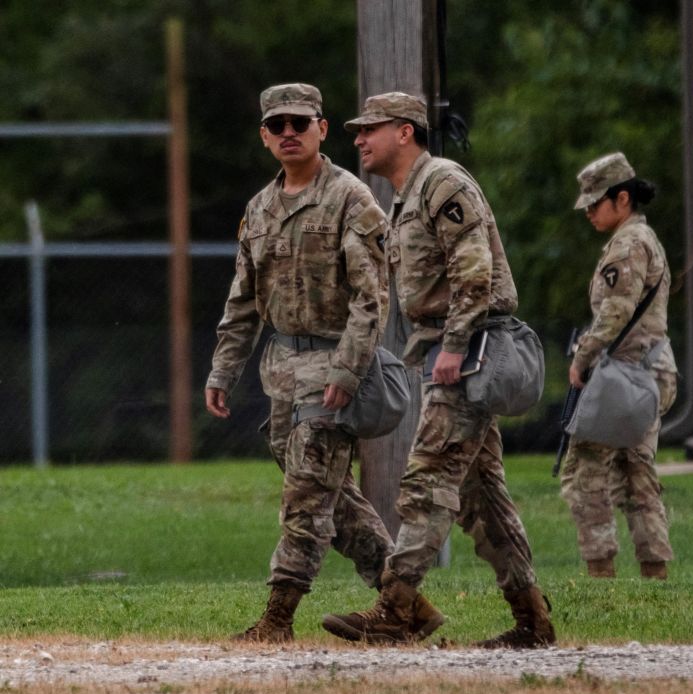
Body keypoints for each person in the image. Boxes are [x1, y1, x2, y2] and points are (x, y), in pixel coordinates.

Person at [205, 83, 443, 643]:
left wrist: (347, 370)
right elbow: (242, 301)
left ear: (321, 129)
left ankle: (277, 618)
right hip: (282, 370)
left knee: (306, 500)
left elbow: (372, 297)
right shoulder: (260, 209)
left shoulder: (350, 198)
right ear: (264, 135)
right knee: (334, 500)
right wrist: (222, 370)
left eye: (300, 122)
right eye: (278, 124)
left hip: (334, 369)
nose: (289, 132)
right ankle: (406, 607)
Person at [322, 91, 555, 648]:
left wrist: (452, 345)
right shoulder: (408, 195)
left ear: (405, 132)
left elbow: (473, 269)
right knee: (482, 499)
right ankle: (533, 621)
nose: (358, 140)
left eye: (369, 129)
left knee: (428, 481)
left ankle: (397, 607)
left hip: (468, 351)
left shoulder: (443, 182)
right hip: (448, 355)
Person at [559, 152, 678, 580]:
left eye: (595, 203)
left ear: (622, 199)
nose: (589, 212)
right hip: (650, 370)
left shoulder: (627, 245)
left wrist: (583, 357)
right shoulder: (643, 240)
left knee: (585, 473)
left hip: (623, 374)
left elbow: (615, 311)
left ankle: (600, 575)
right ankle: (655, 575)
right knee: (637, 475)